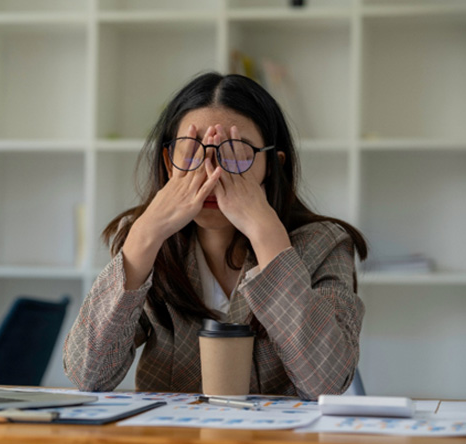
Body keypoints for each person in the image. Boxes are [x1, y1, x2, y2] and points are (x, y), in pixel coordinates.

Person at [63, 72, 368, 400]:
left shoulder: (326, 244)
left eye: (235, 153)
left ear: (273, 166)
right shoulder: (148, 243)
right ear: (168, 163)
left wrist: (268, 236)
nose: (211, 172)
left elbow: (326, 383)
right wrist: (144, 236)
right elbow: (87, 375)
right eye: (192, 150)